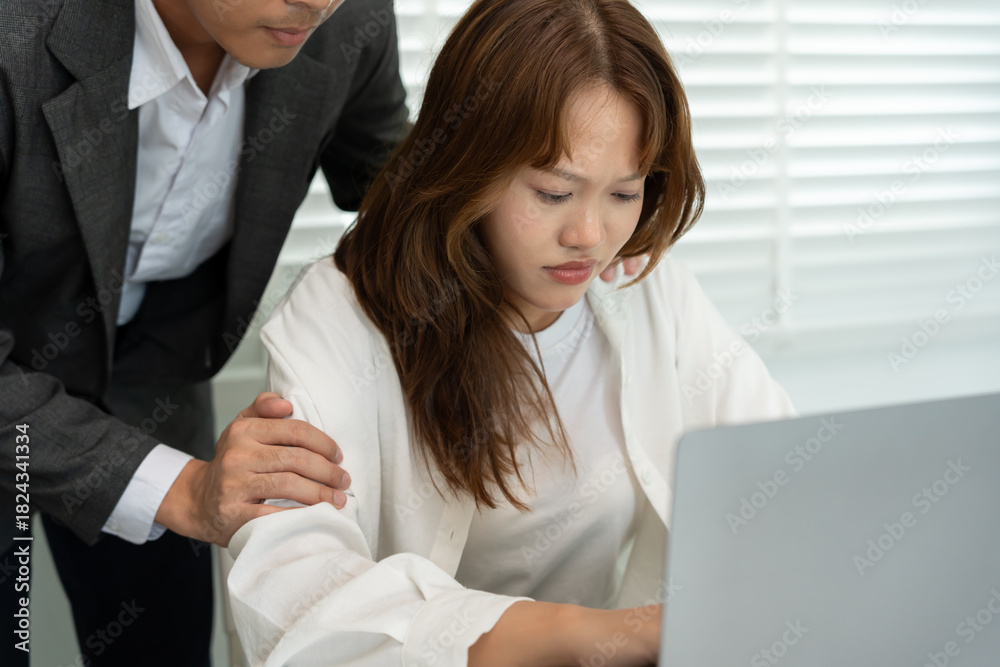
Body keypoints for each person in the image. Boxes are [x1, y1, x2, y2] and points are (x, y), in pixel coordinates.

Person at [228, 0, 796, 664]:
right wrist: (585, 634)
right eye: (554, 193)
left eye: (624, 193)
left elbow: (782, 477)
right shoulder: (339, 314)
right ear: (468, 166)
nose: (590, 236)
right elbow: (298, 589)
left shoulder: (646, 291)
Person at [0, 0, 410, 664]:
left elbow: (394, 186)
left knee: (161, 644)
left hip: (153, 380)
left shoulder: (346, 19)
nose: (318, 3)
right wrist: (186, 489)